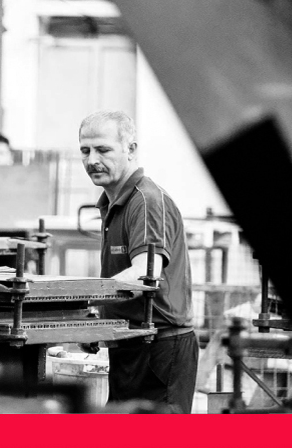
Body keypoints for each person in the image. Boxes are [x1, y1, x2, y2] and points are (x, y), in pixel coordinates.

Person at [78, 110, 197, 413]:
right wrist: (97, 317)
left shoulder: (145, 201)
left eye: (103, 150)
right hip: (130, 345)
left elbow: (145, 273)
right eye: (85, 150)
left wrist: (86, 298)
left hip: (159, 349)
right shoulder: (113, 204)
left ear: (130, 149)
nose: (92, 160)